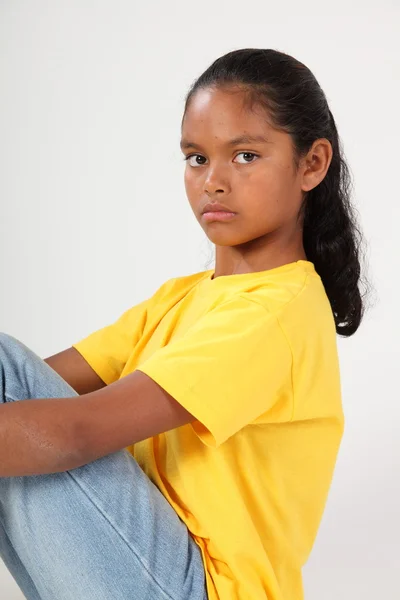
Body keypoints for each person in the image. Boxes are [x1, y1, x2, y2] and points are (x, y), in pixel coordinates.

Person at [0, 48, 369, 600]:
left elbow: (74, 433)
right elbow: (29, 397)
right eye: (196, 158)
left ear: (312, 164)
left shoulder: (274, 312)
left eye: (245, 156)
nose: (213, 181)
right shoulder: (183, 299)